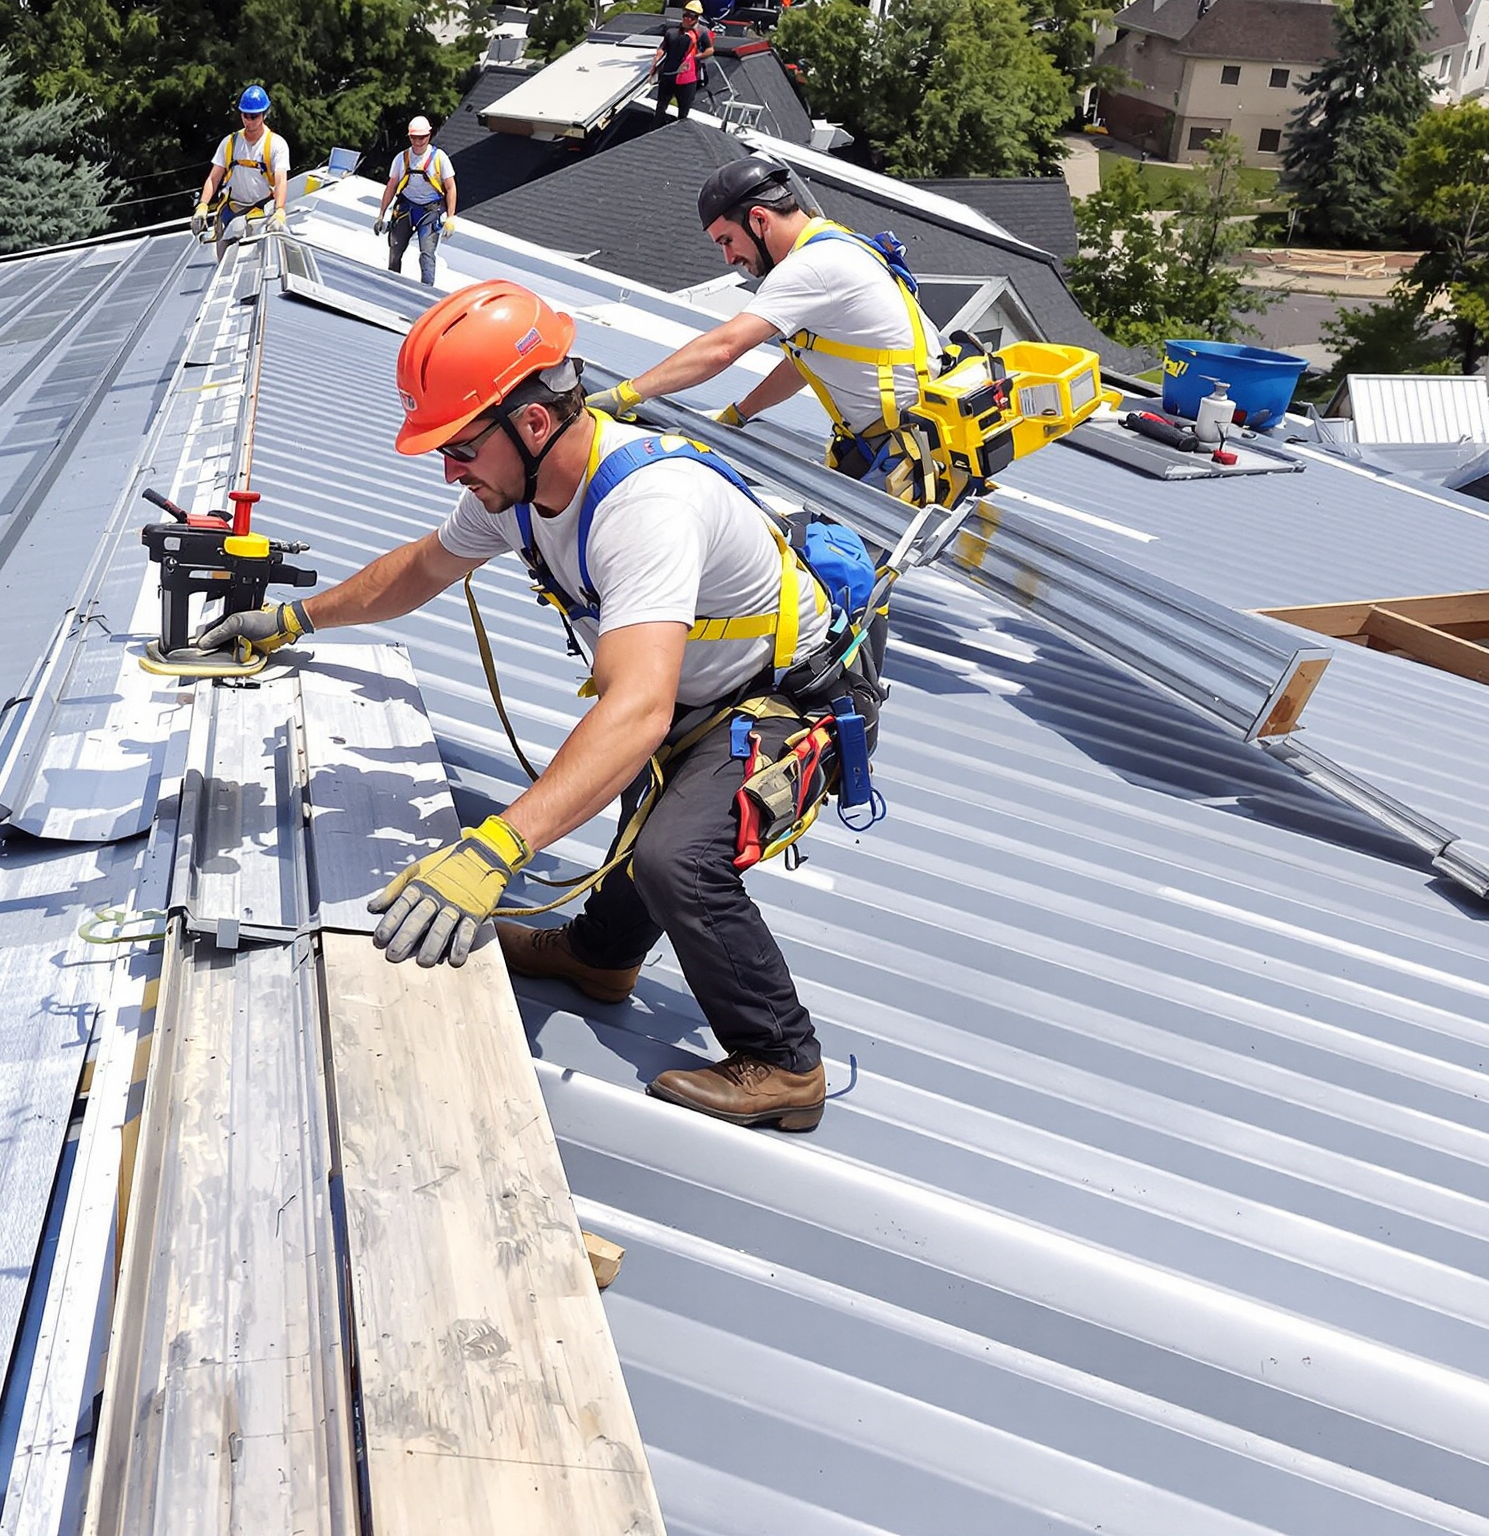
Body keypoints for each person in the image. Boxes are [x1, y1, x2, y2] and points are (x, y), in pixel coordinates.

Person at [193, 281, 872, 1133]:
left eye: (460, 447)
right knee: (642, 805)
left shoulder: (645, 510)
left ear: (535, 422)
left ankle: (783, 1060)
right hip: (699, 698)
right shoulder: (521, 490)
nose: (450, 470)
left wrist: (495, 849)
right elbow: (420, 570)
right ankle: (598, 959)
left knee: (676, 855)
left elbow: (637, 710)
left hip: (786, 705)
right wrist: (292, 620)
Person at [595, 156, 944, 500]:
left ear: (759, 220)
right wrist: (740, 413)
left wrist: (626, 394)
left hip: (903, 457)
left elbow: (723, 347)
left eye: (727, 241)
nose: (728, 259)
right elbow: (807, 361)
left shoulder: (809, 266)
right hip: (910, 445)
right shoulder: (835, 241)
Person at [198, 85, 291, 247]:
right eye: (245, 115)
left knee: (262, 247)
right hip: (234, 207)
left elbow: (281, 180)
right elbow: (213, 178)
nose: (249, 121)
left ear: (264, 114)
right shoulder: (230, 143)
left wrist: (280, 210)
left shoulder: (276, 144)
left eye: (254, 116)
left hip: (262, 208)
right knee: (223, 247)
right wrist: (202, 205)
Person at [375, 116, 459, 286]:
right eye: (414, 137)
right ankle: (391, 285)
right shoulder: (402, 158)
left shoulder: (439, 158)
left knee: (427, 255)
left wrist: (451, 217)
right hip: (406, 207)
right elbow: (391, 186)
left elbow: (451, 188)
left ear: (429, 135)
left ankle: (426, 290)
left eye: (422, 137)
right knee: (395, 249)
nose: (418, 142)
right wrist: (381, 214)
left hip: (430, 211)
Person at [653, 1, 713, 119]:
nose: (688, 19)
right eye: (686, 16)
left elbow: (710, 49)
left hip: (688, 78)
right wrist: (658, 56)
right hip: (668, 74)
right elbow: (663, 47)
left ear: (697, 18)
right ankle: (656, 125)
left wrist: (698, 56)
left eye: (692, 17)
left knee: (683, 111)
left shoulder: (702, 32)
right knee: (660, 107)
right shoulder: (672, 31)